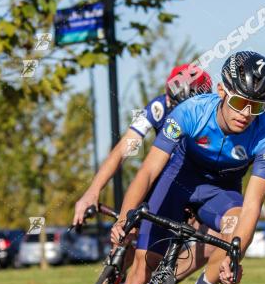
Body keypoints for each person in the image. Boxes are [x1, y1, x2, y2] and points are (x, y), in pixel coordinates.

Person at [89, 51, 265, 284]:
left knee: (233, 232)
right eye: (239, 103)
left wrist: (236, 258)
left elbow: (251, 206)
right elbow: (149, 172)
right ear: (222, 91)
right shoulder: (190, 111)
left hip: (220, 192)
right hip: (176, 180)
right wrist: (126, 216)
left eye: (257, 106)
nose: (246, 114)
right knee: (138, 276)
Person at [73, 63, 212, 224]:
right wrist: (93, 191)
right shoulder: (158, 107)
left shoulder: (210, 115)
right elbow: (123, 149)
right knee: (127, 233)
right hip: (163, 177)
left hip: (197, 181)